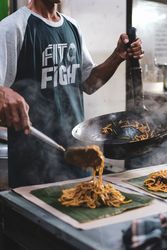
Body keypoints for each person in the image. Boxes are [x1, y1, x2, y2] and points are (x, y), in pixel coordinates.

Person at [0, 0, 144, 188]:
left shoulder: (72, 26)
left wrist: (118, 55)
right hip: (33, 162)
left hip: (78, 155)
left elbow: (89, 83)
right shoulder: (11, 28)